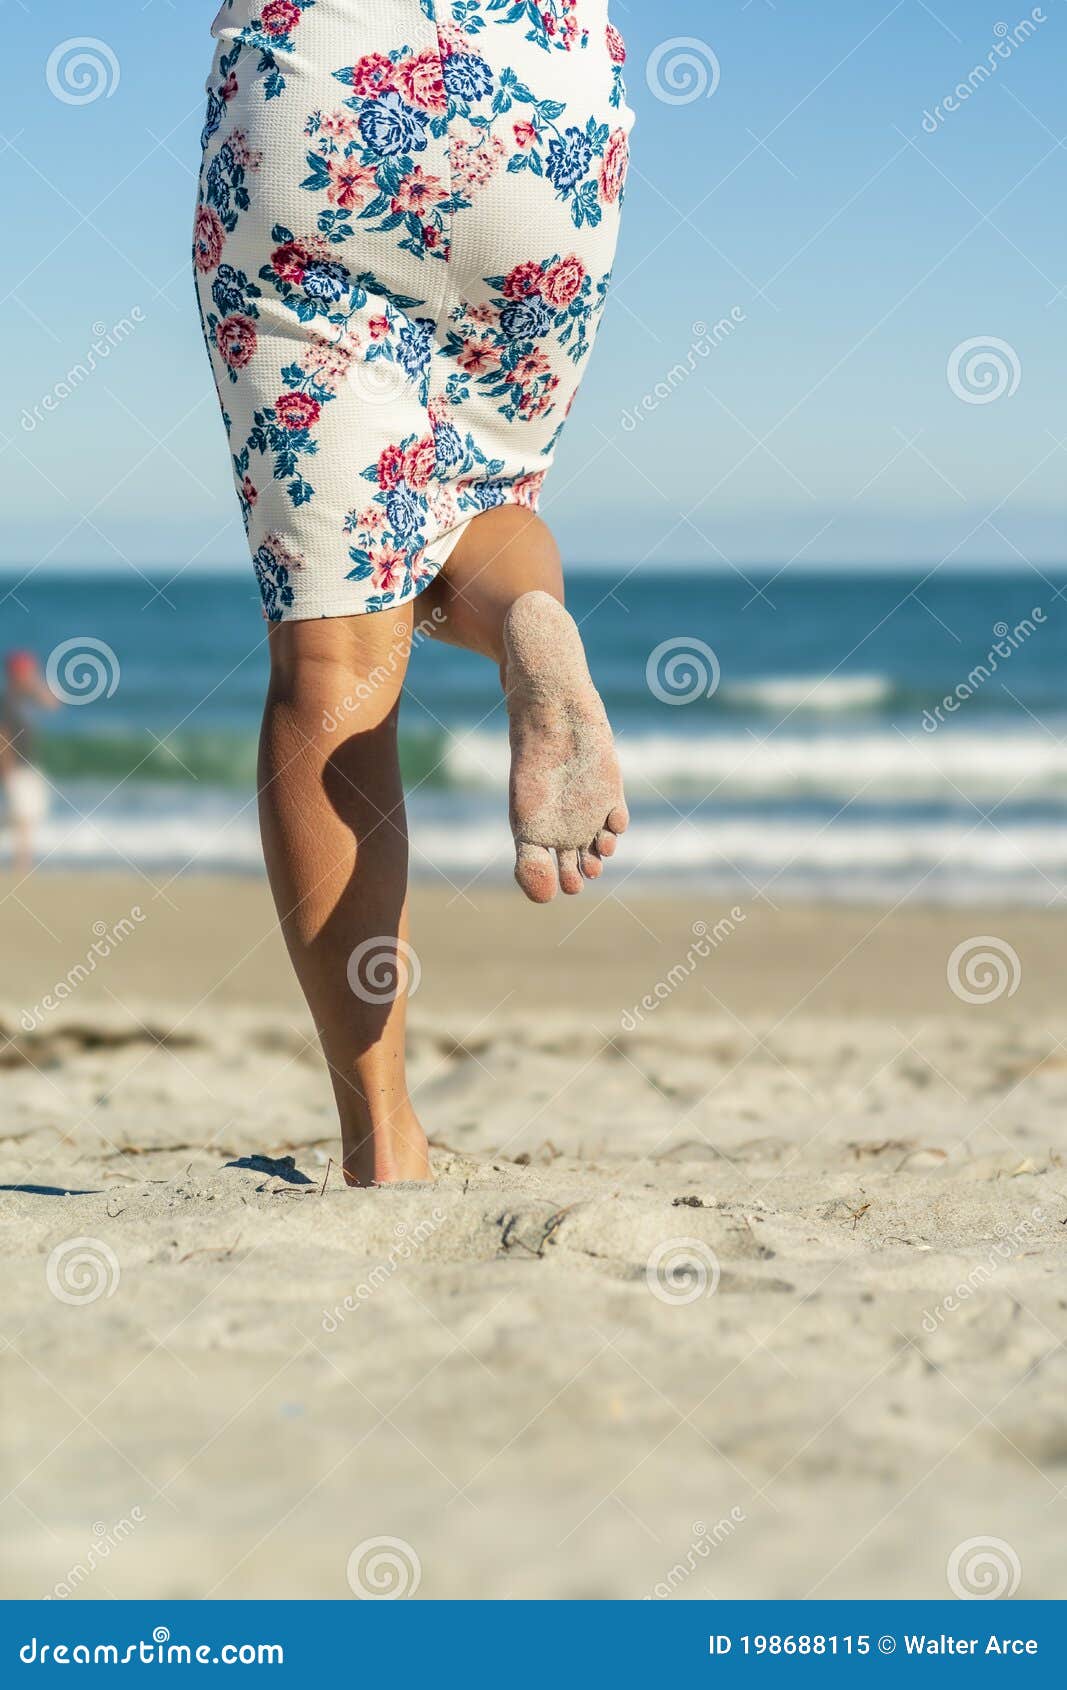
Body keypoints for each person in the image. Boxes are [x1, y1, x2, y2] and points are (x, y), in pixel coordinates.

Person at [194, 1, 633, 1185]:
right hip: (537, 101)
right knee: (469, 499)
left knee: (336, 659)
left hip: (319, 80)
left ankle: (382, 1140)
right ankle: (528, 624)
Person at [0, 652, 58, 874]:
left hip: (29, 766)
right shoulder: (5, 701)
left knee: (28, 816)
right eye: (25, 672)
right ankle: (22, 866)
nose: (29, 676)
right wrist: (6, 769)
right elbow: (2, 736)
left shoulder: (25, 698)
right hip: (14, 768)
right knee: (22, 817)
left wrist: (35, 685)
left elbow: (52, 704)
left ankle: (22, 864)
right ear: (15, 675)